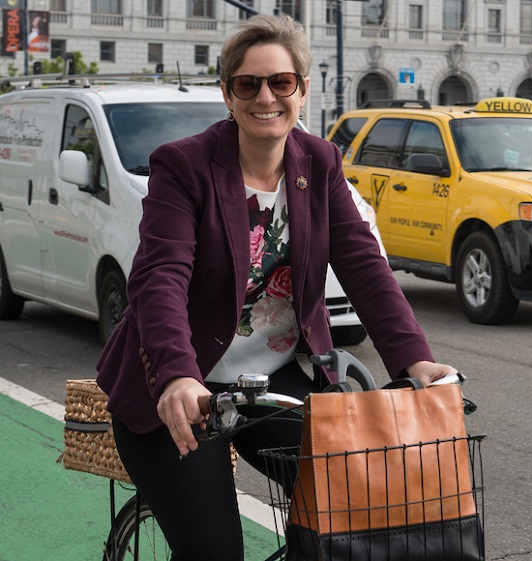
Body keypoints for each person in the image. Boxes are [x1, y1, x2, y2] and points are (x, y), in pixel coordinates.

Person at [96, 14, 456, 561]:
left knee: (355, 502)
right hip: (178, 390)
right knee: (215, 550)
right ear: (228, 94)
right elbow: (160, 277)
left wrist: (415, 362)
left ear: (303, 90)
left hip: (272, 380)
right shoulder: (184, 166)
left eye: (281, 82)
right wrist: (176, 376)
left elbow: (363, 264)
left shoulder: (321, 161)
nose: (266, 97)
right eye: (248, 84)